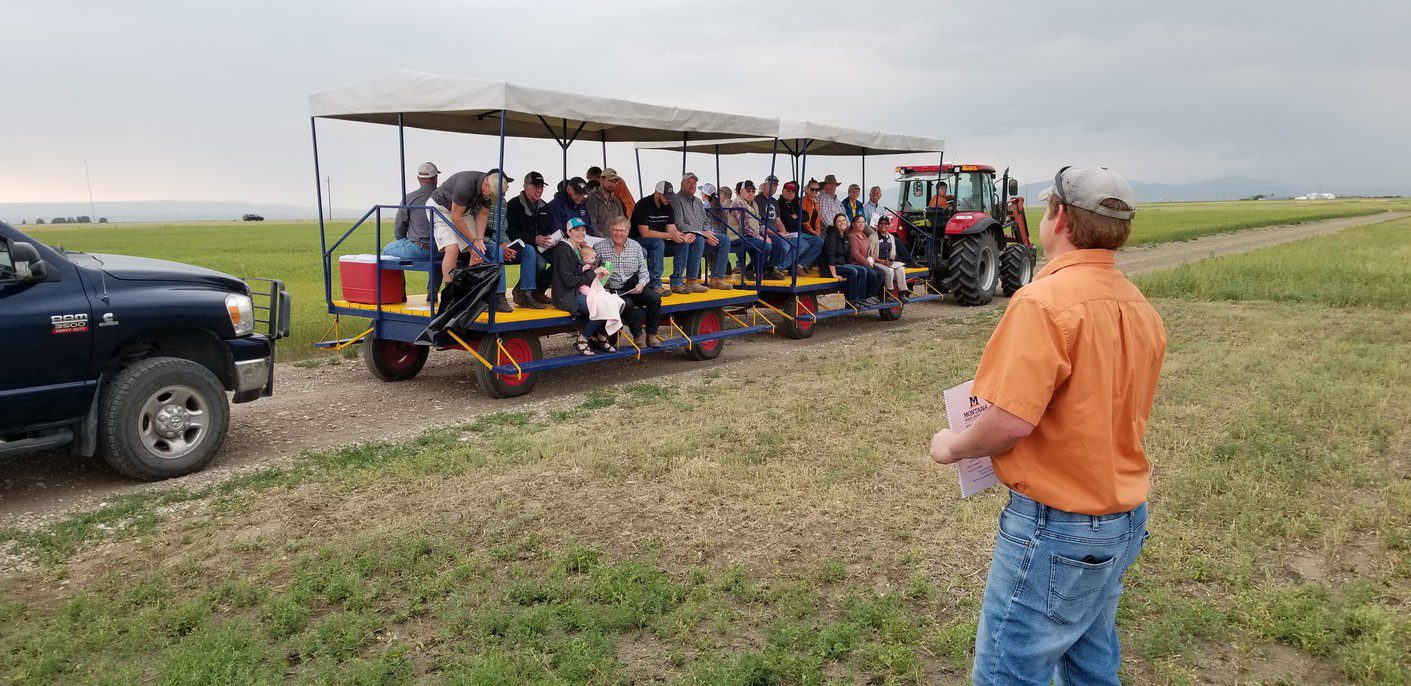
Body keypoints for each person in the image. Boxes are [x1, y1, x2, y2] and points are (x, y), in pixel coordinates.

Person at [929, 166, 1164, 686]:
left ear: (1058, 216)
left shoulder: (1042, 301)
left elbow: (1008, 422)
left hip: (1057, 526)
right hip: (1122, 517)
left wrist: (953, 446)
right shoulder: (1140, 307)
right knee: (1091, 665)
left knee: (1006, 674)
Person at [427, 170, 516, 312]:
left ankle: (470, 292)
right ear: (485, 184)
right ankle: (452, 295)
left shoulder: (491, 188)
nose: (491, 197)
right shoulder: (466, 185)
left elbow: (483, 213)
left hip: (462, 211)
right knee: (452, 249)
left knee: (478, 250)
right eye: (491, 194)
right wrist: (473, 240)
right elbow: (455, 217)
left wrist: (479, 241)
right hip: (441, 208)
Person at [593, 217, 663, 348]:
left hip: (633, 285)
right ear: (610, 230)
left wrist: (641, 284)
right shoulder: (599, 247)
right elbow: (592, 272)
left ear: (628, 231)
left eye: (622, 230)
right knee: (627, 304)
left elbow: (644, 271)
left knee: (655, 298)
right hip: (614, 289)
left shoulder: (636, 246)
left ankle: (652, 334)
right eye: (615, 230)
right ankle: (637, 335)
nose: (618, 233)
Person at [550, 218, 611, 356]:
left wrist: (596, 275)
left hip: (577, 292)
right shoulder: (564, 250)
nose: (581, 233)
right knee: (602, 307)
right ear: (568, 232)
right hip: (566, 296)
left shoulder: (577, 249)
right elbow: (570, 281)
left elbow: (580, 276)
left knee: (614, 301)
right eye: (577, 230)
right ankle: (583, 339)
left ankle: (600, 337)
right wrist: (593, 273)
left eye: (583, 230)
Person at [506, 171, 556, 309]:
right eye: (535, 186)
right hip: (519, 246)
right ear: (525, 186)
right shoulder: (513, 205)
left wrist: (549, 239)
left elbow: (547, 228)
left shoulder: (544, 206)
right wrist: (534, 239)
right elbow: (510, 231)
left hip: (541, 246)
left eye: (541, 187)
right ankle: (523, 292)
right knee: (539, 262)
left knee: (561, 259)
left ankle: (538, 291)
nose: (539, 190)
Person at [669, 172, 726, 292]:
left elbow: (705, 220)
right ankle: (691, 281)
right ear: (681, 184)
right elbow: (679, 224)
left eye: (694, 183)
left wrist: (706, 232)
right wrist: (701, 233)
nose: (692, 186)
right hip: (685, 238)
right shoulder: (676, 200)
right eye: (688, 183)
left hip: (700, 236)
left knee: (724, 240)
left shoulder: (698, 202)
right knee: (698, 239)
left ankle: (717, 279)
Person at [630, 180, 685, 296]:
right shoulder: (643, 204)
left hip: (658, 240)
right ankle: (655, 284)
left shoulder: (668, 206)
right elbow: (644, 233)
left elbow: (671, 229)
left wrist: (680, 236)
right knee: (658, 243)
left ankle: (677, 282)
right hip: (637, 241)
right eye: (666, 197)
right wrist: (670, 235)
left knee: (682, 243)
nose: (668, 200)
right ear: (657, 194)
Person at [729, 180, 790, 280]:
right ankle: (750, 268)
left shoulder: (753, 204)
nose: (751, 193)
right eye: (748, 191)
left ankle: (769, 270)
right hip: (738, 236)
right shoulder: (738, 204)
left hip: (751, 236)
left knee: (778, 241)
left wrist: (765, 235)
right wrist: (761, 238)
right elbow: (745, 227)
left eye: (753, 191)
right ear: (741, 191)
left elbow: (760, 223)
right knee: (766, 246)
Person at [384, 162, 439, 260]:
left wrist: (401, 239)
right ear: (435, 178)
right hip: (446, 250)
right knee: (437, 262)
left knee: (386, 250)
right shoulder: (446, 197)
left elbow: (399, 225)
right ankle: (436, 275)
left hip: (421, 249)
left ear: (418, 178)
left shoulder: (410, 198)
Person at [821, 213, 871, 307]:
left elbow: (848, 255)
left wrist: (852, 265)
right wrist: (834, 274)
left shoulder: (846, 236)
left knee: (862, 270)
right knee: (853, 271)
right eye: (839, 221)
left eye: (843, 220)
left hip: (840, 264)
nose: (842, 223)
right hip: (829, 267)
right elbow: (830, 256)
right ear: (835, 224)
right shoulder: (832, 236)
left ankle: (860, 299)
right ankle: (851, 301)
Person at [777, 180, 824, 275]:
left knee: (820, 242)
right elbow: (788, 221)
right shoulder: (779, 204)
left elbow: (806, 216)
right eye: (788, 191)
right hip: (787, 233)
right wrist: (798, 217)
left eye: (793, 192)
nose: (791, 193)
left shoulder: (795, 203)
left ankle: (800, 264)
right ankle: (779, 268)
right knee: (803, 245)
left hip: (799, 232)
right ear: (783, 191)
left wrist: (796, 216)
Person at [847, 215, 884, 305]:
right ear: (853, 224)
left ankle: (871, 295)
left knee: (881, 273)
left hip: (867, 262)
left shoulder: (864, 235)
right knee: (872, 274)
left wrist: (873, 257)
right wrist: (867, 263)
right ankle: (865, 297)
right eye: (858, 222)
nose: (861, 224)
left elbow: (870, 249)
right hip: (857, 263)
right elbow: (855, 255)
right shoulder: (852, 236)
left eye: (863, 222)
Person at [872, 216, 909, 300]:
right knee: (890, 271)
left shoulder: (891, 237)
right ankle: (889, 291)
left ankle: (902, 292)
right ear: (878, 225)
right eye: (881, 223)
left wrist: (891, 260)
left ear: (888, 226)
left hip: (888, 262)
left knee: (900, 269)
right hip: (877, 262)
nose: (883, 225)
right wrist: (883, 262)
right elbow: (872, 255)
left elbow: (893, 252)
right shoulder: (873, 237)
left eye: (885, 224)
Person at [586, 168, 627, 240]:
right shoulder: (592, 199)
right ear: (601, 180)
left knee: (641, 250)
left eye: (615, 182)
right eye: (610, 181)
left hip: (615, 240)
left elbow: (622, 223)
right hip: (597, 240)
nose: (613, 184)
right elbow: (591, 227)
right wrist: (606, 240)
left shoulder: (616, 200)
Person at [800, 180, 824, 274]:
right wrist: (813, 232)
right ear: (807, 189)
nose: (814, 192)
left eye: (817, 190)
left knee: (822, 241)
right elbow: (804, 221)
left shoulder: (815, 202)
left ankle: (803, 264)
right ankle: (801, 264)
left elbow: (817, 218)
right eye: (812, 189)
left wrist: (817, 231)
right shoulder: (803, 201)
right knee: (819, 241)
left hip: (812, 231)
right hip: (804, 230)